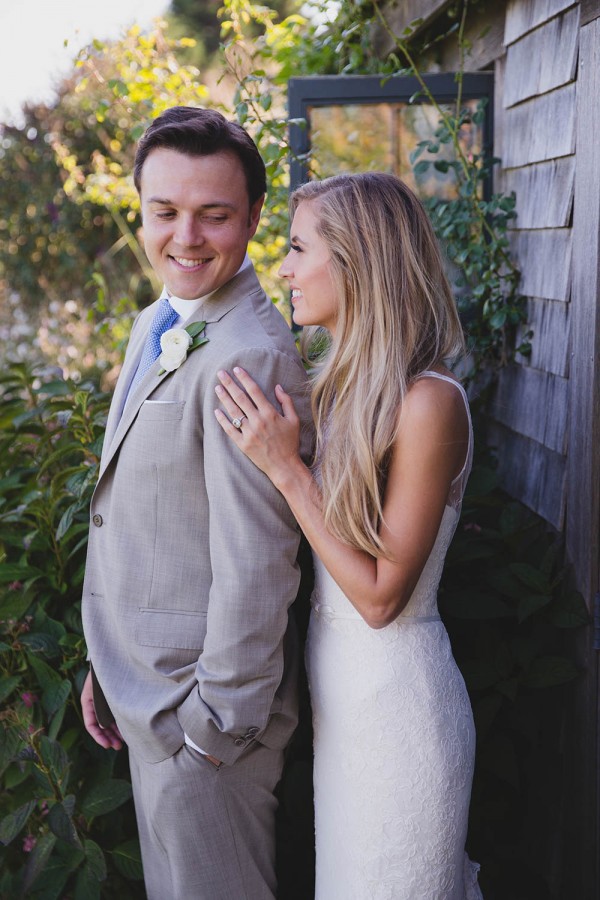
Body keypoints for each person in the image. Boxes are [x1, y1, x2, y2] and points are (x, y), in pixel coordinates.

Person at [215, 172, 484, 899]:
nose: (285, 268)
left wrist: (287, 469)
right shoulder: (334, 389)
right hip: (342, 716)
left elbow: (377, 598)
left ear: (359, 261)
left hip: (402, 720)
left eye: (300, 248)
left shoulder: (430, 402)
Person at [79, 106, 313, 900]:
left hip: (203, 727)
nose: (186, 237)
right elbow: (144, 521)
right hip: (146, 694)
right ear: (139, 208)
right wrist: (105, 656)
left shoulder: (250, 354)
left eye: (214, 216)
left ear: (252, 218)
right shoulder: (157, 320)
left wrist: (213, 733)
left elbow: (259, 566)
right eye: (165, 212)